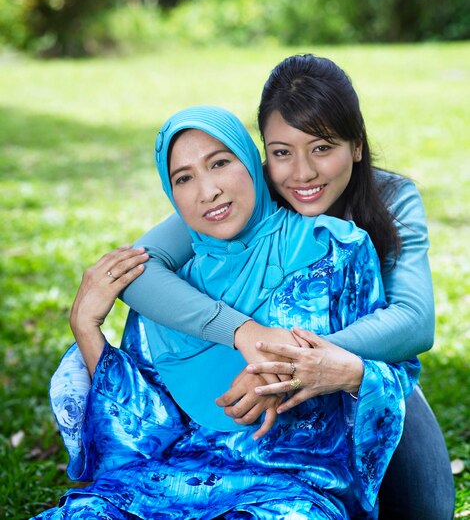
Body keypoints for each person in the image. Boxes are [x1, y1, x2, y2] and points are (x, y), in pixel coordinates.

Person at [33, 106, 419, 519]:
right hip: (160, 485)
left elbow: (391, 369)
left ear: (254, 163)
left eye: (219, 163)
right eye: (184, 178)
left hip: (290, 486)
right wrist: (87, 329)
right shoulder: (169, 287)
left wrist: (320, 367)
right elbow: (141, 432)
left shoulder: (337, 249)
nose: (208, 191)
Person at [118, 55, 455, 520]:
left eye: (322, 148)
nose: (302, 174)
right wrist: (246, 334)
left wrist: (297, 365)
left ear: (356, 146)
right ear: (263, 156)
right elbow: (138, 269)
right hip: (255, 397)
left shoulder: (391, 198)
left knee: (426, 510)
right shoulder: (251, 191)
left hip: (364, 370)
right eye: (281, 152)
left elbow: (413, 322)